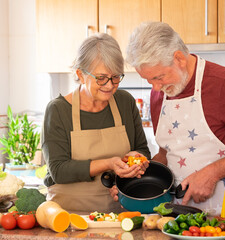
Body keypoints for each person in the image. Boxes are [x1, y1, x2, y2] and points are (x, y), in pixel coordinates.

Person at [111, 22, 225, 215]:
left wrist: (212, 173)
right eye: (149, 80)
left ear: (179, 59)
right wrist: (134, 180)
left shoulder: (224, 85)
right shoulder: (159, 94)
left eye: (159, 77)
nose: (155, 87)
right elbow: (167, 153)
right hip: (177, 220)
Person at [41, 33, 151, 214]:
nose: (110, 85)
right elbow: (58, 170)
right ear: (80, 74)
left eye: (116, 77)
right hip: (67, 217)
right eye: (101, 78)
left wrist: (137, 159)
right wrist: (110, 163)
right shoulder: (58, 110)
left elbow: (143, 150)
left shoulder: (125, 102)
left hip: (118, 215)